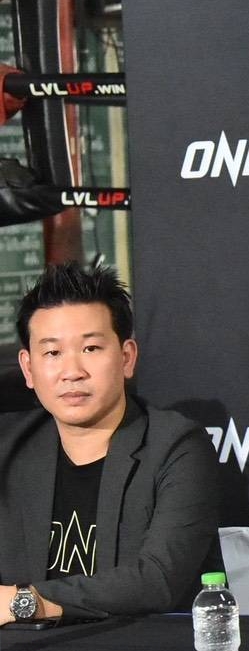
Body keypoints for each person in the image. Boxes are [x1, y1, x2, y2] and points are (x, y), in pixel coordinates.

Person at [0, 262, 221, 624]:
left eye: (90, 348)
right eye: (52, 353)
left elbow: (157, 580)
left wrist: (25, 601)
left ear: (126, 357)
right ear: (28, 368)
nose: (72, 372)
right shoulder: (9, 447)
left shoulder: (176, 447)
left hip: (140, 650)